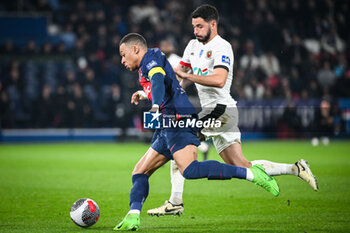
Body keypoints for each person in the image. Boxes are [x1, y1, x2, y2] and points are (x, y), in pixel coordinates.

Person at [147, 4, 318, 217]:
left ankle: (175, 202)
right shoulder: (192, 45)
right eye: (194, 27)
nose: (196, 31)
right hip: (214, 112)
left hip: (222, 110)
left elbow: (218, 80)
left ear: (213, 24)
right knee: (241, 165)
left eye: (200, 27)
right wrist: (157, 94)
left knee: (179, 142)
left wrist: (186, 76)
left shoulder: (222, 47)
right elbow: (180, 78)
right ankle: (295, 168)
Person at [114, 33, 279, 231]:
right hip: (167, 125)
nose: (122, 60)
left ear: (136, 49)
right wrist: (145, 94)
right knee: (140, 172)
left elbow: (158, 79)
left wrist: (155, 106)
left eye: (123, 54)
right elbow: (166, 84)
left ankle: (251, 174)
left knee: (189, 170)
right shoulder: (145, 66)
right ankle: (133, 217)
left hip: (178, 120)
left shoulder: (151, 58)